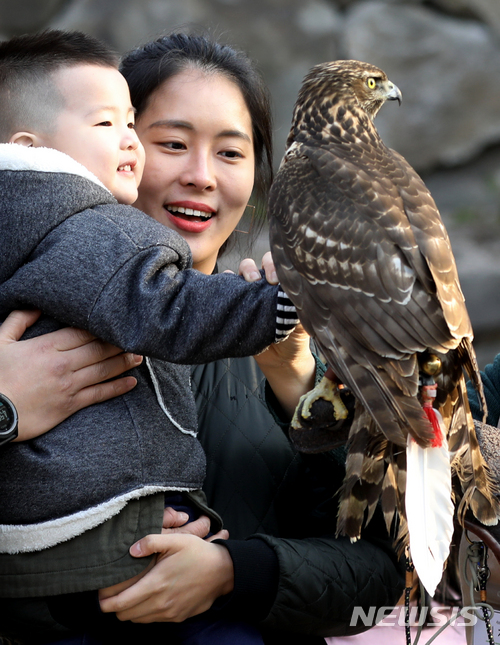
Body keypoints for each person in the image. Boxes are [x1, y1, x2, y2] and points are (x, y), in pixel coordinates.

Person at [0, 32, 405, 644]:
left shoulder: (288, 335)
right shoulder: (16, 325)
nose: (201, 177)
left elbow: (382, 574)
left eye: (231, 154)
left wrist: (232, 571)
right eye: (172, 143)